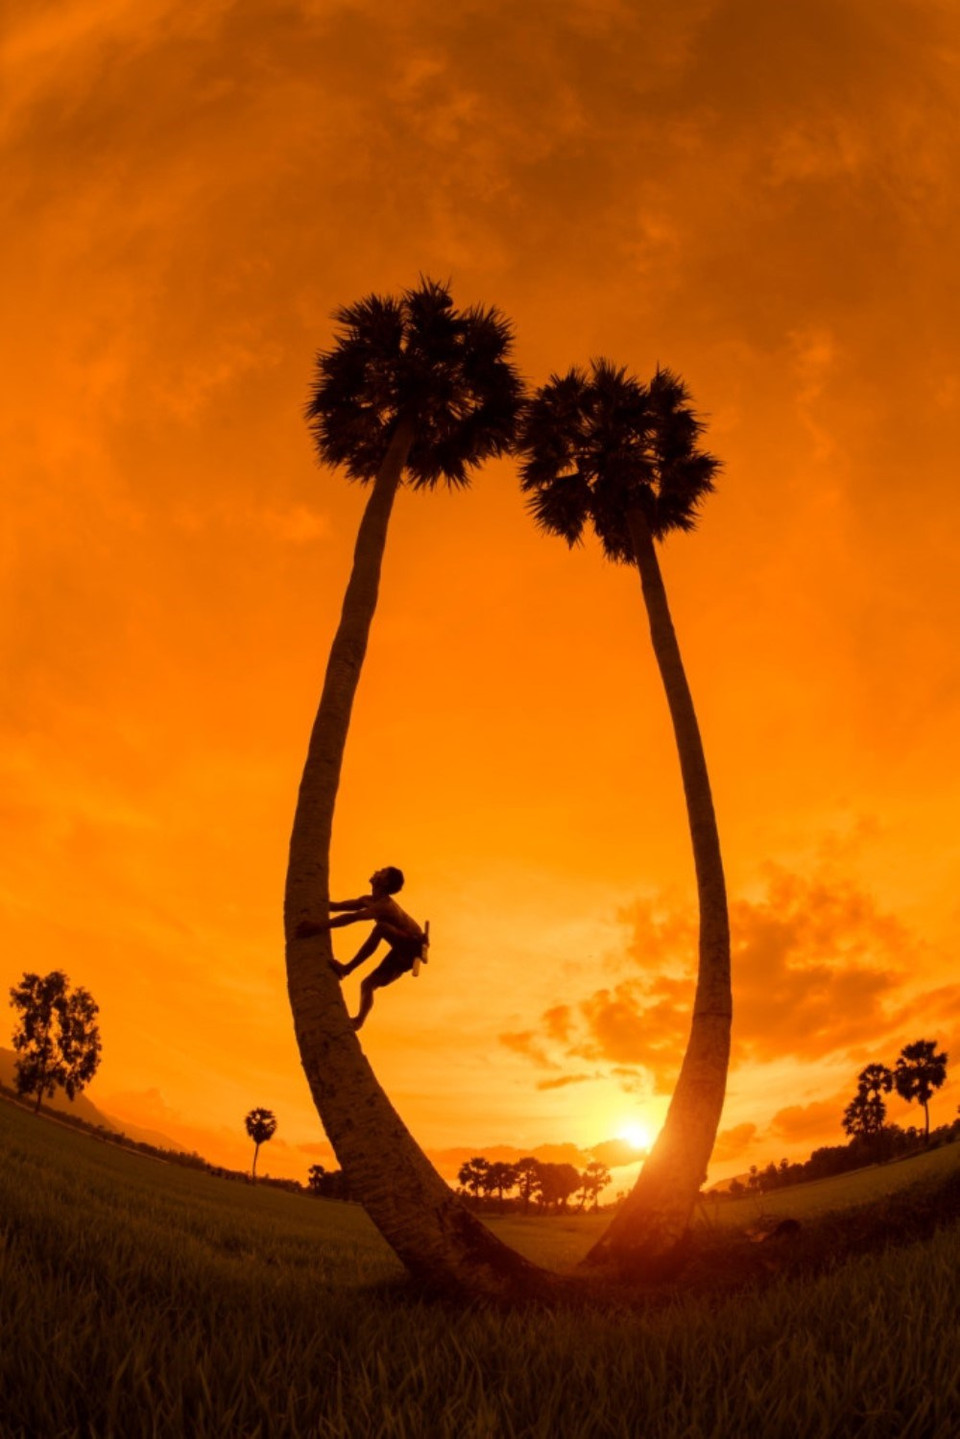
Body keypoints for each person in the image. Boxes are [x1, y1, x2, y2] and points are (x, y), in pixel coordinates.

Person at [295, 866, 428, 1031]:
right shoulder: (369, 900)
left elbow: (353, 917)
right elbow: (338, 906)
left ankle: (347, 969)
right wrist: (314, 901)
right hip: (400, 948)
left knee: (382, 928)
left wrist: (318, 926)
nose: (377, 871)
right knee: (368, 984)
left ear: (385, 882)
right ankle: (359, 1020)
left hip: (412, 947)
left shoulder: (385, 906)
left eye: (382, 872)